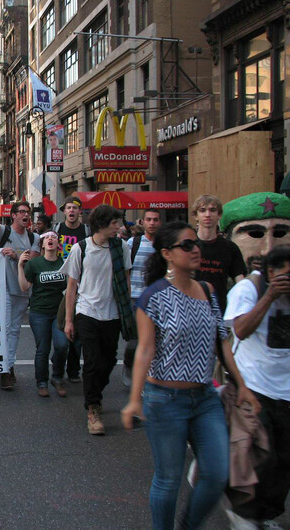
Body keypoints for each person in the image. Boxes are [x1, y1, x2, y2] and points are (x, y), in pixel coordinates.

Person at [121, 222, 258, 529]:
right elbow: (144, 351)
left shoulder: (208, 291)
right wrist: (133, 400)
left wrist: (242, 385)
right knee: (168, 480)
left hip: (205, 398)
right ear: (168, 254)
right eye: (187, 245)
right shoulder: (153, 298)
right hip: (165, 399)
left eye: (196, 244)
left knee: (217, 474)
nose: (196, 249)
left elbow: (222, 340)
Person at [223, 244, 290, 528]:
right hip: (254, 385)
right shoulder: (248, 290)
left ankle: (265, 514)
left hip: (286, 389)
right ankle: (244, 511)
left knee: (284, 461)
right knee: (259, 457)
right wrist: (271, 296)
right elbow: (240, 330)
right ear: (271, 272)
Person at [61, 204, 132, 435]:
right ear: (101, 224)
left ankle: (95, 393)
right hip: (87, 311)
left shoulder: (121, 247)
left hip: (112, 313)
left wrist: (127, 311)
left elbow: (126, 281)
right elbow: (71, 288)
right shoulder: (81, 249)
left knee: (109, 360)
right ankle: (92, 409)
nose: (119, 228)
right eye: (114, 224)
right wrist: (69, 320)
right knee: (91, 361)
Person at [0, 193, 41, 390]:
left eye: (28, 212)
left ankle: (8, 365)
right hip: (4, 289)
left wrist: (16, 256)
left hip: (23, 290)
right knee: (6, 328)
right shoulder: (4, 232)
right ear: (14, 215)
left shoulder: (34, 237)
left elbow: (31, 262)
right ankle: (6, 370)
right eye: (22, 212)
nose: (26, 215)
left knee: (15, 330)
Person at [19, 231, 68, 398]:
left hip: (59, 313)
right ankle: (42, 382)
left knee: (62, 346)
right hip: (39, 313)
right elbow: (24, 287)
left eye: (54, 237)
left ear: (58, 244)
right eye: (47, 238)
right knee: (43, 349)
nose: (50, 239)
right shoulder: (35, 264)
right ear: (42, 244)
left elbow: (71, 286)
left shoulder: (64, 263)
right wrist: (20, 266)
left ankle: (57, 377)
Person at [121, 209, 161, 387]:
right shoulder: (133, 242)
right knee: (134, 341)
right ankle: (129, 365)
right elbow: (125, 270)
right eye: (149, 220)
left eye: (155, 220)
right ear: (142, 222)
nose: (152, 223)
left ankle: (150, 374)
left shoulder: (163, 245)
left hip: (157, 299)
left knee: (156, 339)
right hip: (136, 297)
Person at [54, 196, 91, 383]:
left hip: (80, 283)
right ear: (64, 211)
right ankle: (59, 365)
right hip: (61, 282)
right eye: (68, 208)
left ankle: (74, 369)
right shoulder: (57, 229)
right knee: (62, 327)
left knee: (77, 331)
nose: (71, 211)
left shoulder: (86, 231)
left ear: (79, 211)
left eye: (74, 208)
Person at [193, 194, 246, 313]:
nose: (208, 214)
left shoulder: (230, 248)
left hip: (219, 311)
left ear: (219, 215)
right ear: (196, 216)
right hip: (189, 310)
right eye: (202, 210)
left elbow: (240, 282)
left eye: (212, 210)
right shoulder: (187, 244)